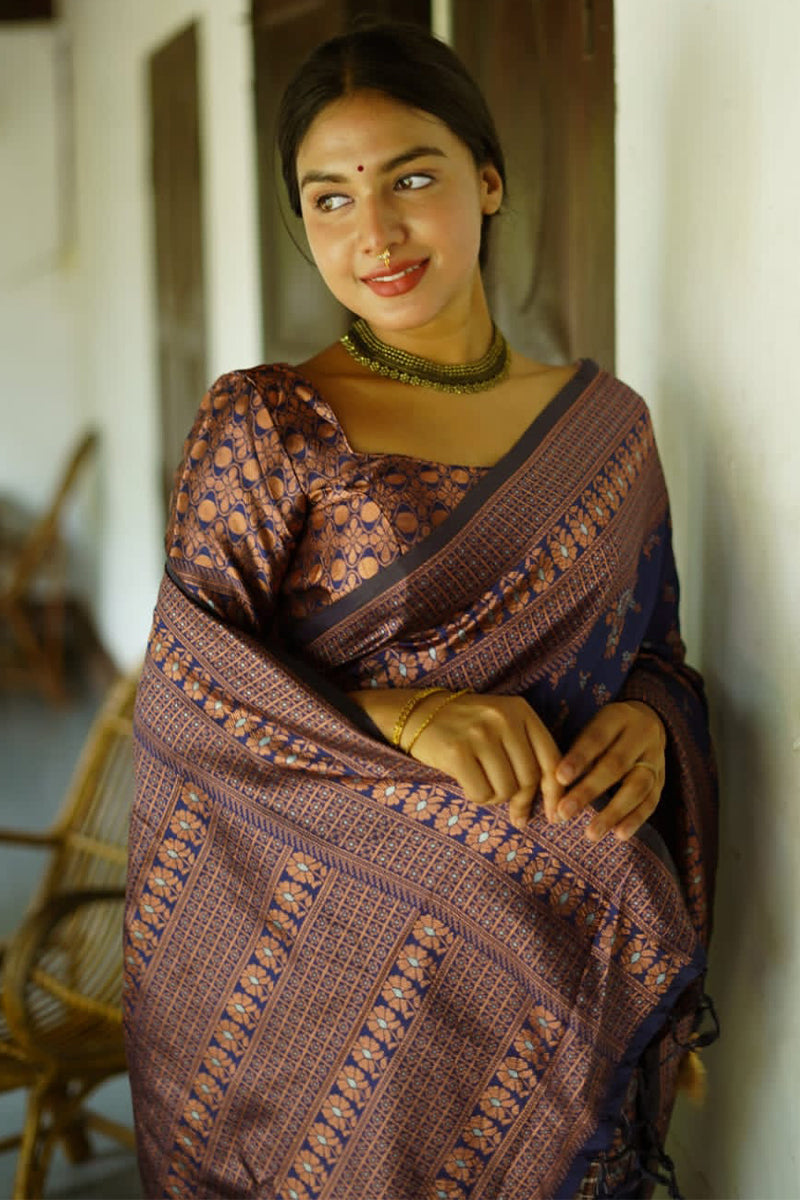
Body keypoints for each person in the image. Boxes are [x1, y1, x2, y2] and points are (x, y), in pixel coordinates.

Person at [124, 21, 718, 1200]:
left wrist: (650, 726)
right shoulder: (268, 422)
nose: (375, 233)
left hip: (541, 976)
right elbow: (189, 700)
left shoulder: (605, 431)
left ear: (485, 181)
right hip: (310, 980)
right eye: (329, 198)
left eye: (409, 178)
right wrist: (407, 716)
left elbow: (653, 649)